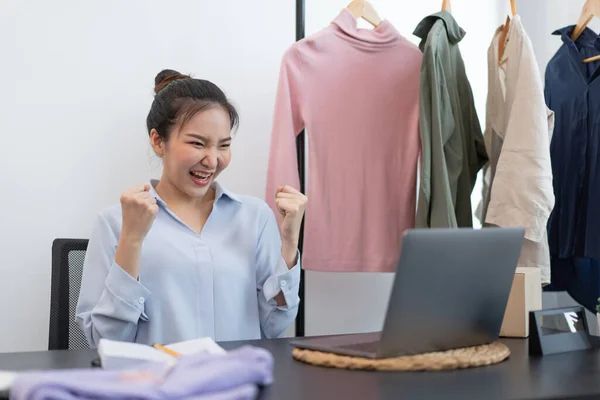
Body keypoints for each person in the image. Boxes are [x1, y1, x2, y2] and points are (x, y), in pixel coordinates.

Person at [76, 70, 307, 347]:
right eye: (197, 143)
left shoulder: (255, 217)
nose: (212, 161)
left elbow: (274, 327)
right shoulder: (115, 223)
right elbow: (105, 341)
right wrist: (132, 240)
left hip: (236, 384)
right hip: (158, 386)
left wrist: (289, 242)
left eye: (224, 146)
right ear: (158, 141)